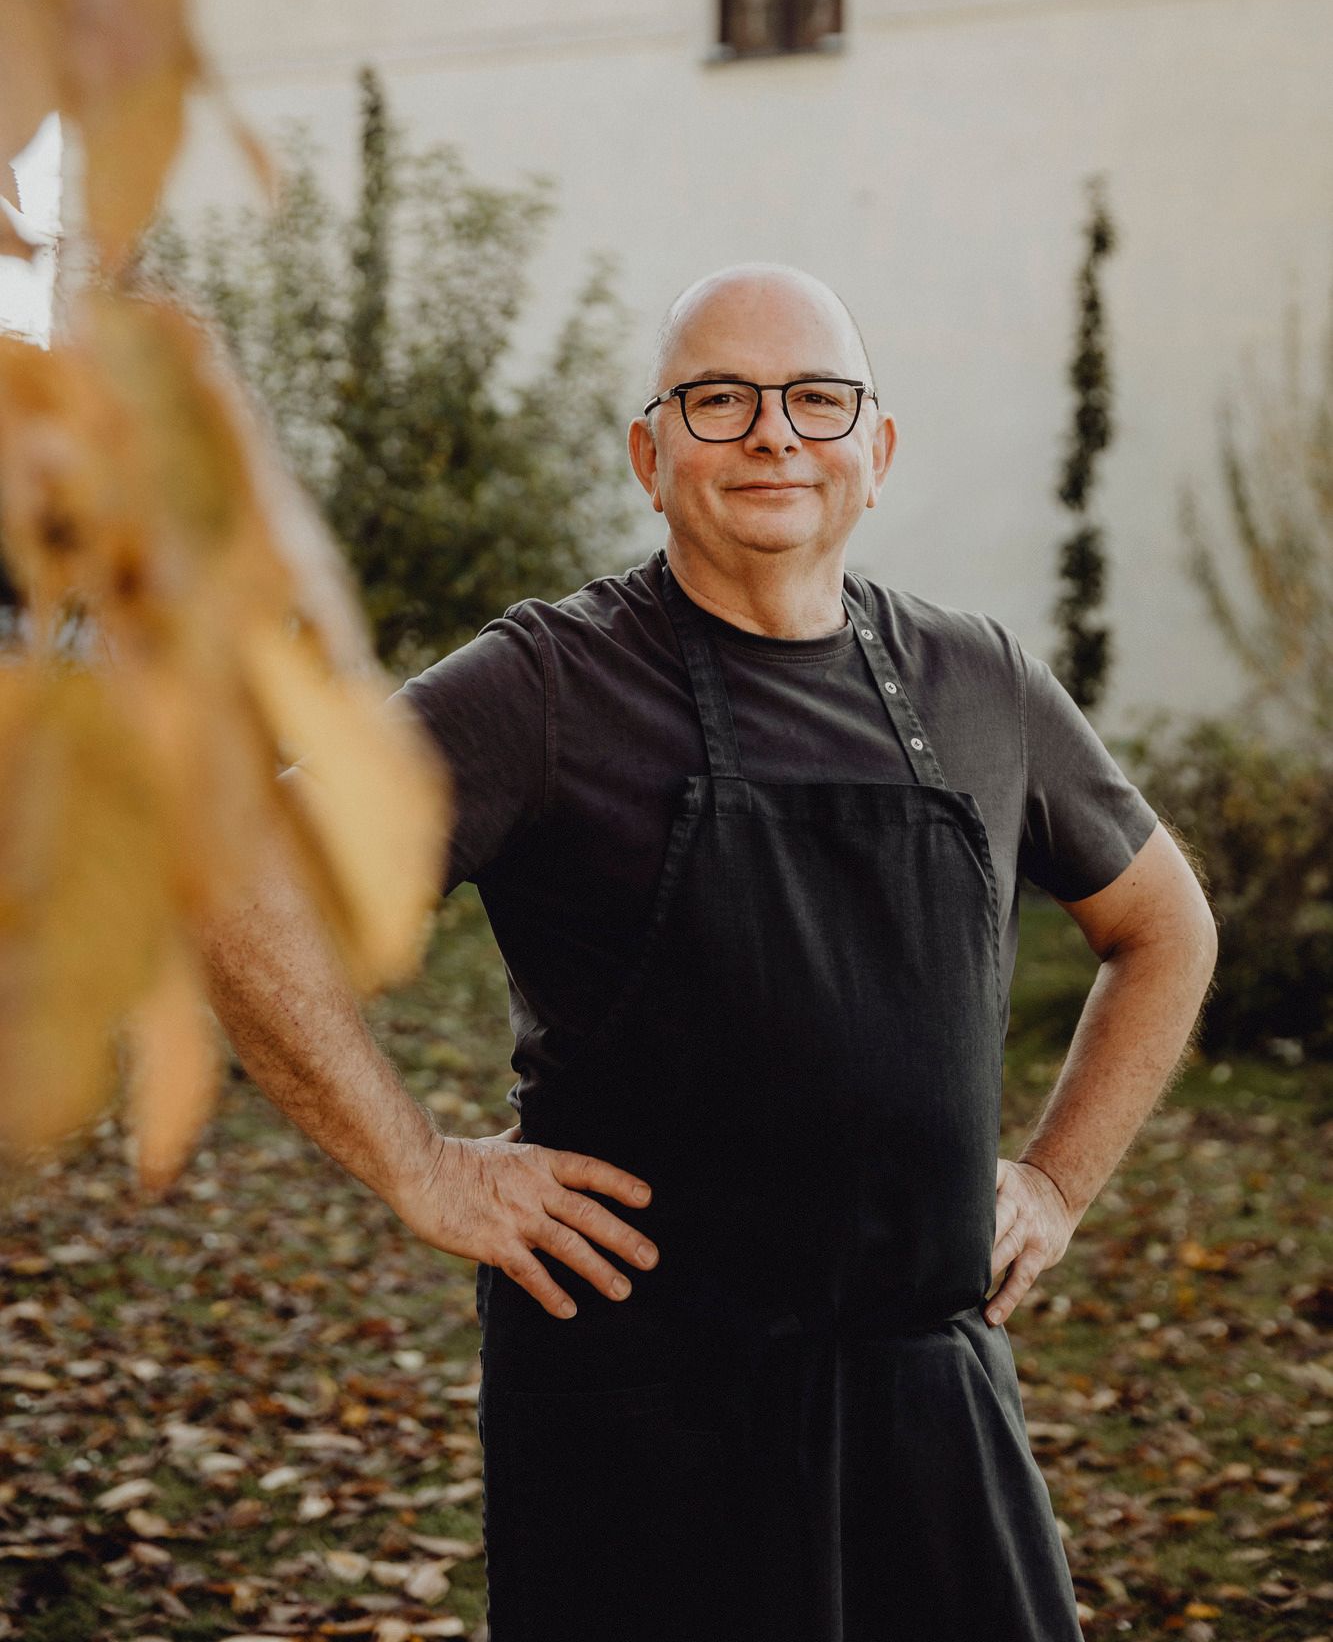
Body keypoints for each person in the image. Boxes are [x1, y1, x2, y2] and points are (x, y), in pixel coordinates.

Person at [203, 262, 1217, 1642]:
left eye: (815, 398)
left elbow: (1162, 928)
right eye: (718, 398)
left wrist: (1053, 1179)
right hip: (638, 1407)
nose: (772, 434)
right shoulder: (548, 685)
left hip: (926, 1393)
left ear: (877, 449)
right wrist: (422, 1170)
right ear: (649, 451)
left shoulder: (978, 682)